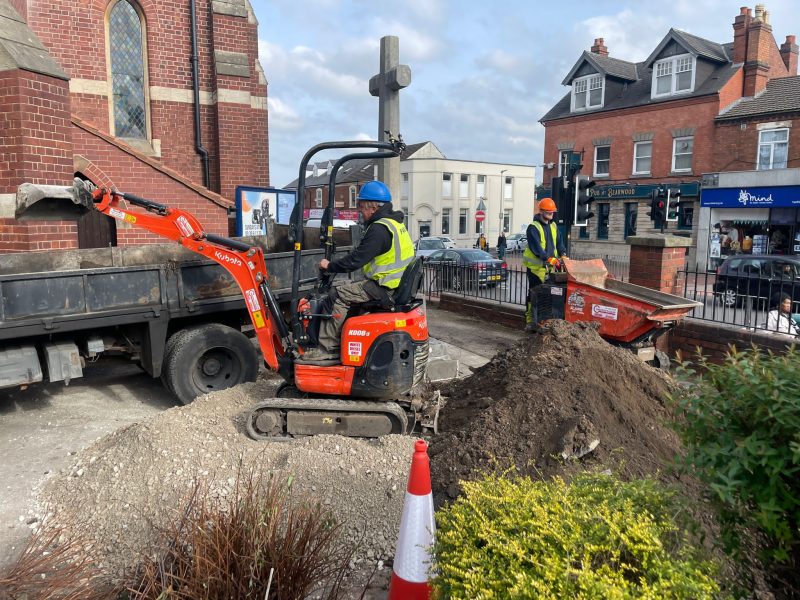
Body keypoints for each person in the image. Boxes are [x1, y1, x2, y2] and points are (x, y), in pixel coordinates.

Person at [299, 180, 414, 365]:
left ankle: (326, 350)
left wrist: (329, 266)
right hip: (395, 285)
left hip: (385, 287)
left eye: (361, 207)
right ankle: (344, 339)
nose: (360, 211)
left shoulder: (379, 229)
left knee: (337, 295)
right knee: (348, 290)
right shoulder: (395, 223)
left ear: (373, 206)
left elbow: (356, 260)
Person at [522, 197, 567, 332]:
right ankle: (531, 322)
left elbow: (559, 242)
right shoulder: (533, 228)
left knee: (550, 295)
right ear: (541, 211)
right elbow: (537, 249)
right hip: (536, 269)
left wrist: (563, 254)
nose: (551, 214)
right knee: (534, 295)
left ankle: (545, 321)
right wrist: (550, 259)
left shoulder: (553, 226)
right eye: (548, 212)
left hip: (550, 268)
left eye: (552, 212)